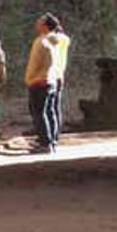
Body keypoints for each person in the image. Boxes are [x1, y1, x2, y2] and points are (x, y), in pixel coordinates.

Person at [24, 15, 59, 152]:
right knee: (49, 112)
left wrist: (31, 79)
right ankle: (51, 141)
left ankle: (45, 144)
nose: (37, 22)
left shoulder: (41, 42)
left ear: (45, 25)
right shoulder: (54, 40)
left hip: (40, 81)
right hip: (51, 80)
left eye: (40, 20)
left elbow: (35, 63)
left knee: (38, 113)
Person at [45, 15, 71, 145]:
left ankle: (50, 136)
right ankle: (56, 135)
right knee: (56, 107)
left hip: (51, 75)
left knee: (48, 108)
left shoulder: (50, 38)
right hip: (61, 74)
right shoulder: (65, 39)